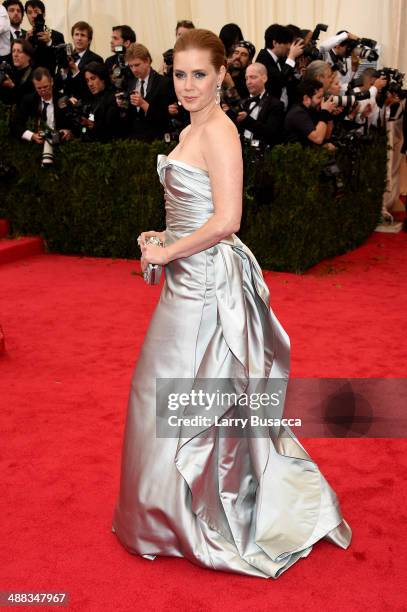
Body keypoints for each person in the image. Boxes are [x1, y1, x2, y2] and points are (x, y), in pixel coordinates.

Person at [112, 28, 352, 579]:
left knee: (171, 392)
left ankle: (190, 518)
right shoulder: (194, 127)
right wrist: (159, 236)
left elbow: (227, 221)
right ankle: (170, 515)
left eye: (200, 74)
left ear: (222, 74)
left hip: (204, 288)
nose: (189, 85)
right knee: (177, 395)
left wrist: (169, 248)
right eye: (180, 74)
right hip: (186, 276)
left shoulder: (219, 131)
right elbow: (189, 212)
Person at [284, 78, 336, 146]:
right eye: (319, 97)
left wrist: (329, 114)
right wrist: (325, 112)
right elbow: (318, 139)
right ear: (306, 98)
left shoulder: (313, 110)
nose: (322, 101)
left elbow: (326, 136)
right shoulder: (297, 113)